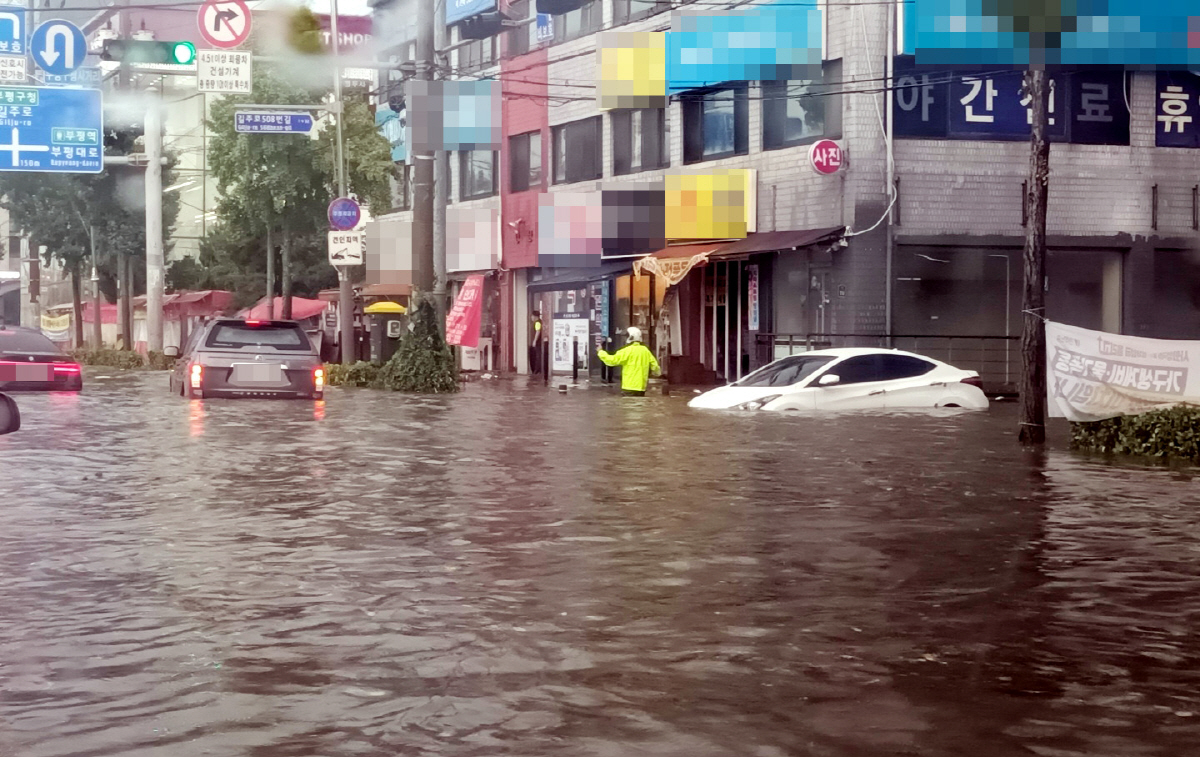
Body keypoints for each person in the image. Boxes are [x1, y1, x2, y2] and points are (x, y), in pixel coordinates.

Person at [598, 326, 660, 397]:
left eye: (625, 337)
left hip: (628, 388)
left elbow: (611, 361)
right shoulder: (645, 351)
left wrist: (600, 352)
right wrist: (657, 374)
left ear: (630, 337)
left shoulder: (626, 351)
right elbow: (655, 367)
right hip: (641, 388)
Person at [529, 310, 544, 374]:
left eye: (532, 316)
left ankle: (537, 370)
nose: (531, 317)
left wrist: (535, 341)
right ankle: (537, 369)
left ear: (535, 316)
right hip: (538, 342)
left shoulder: (537, 323)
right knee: (537, 355)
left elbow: (538, 331)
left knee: (538, 356)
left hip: (538, 342)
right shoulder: (538, 322)